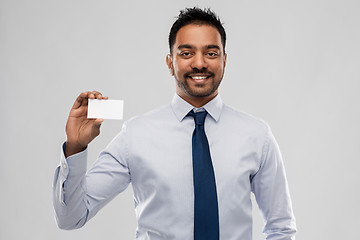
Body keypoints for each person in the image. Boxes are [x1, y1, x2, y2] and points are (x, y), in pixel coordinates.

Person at [53, 7, 297, 240]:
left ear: (224, 60)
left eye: (211, 53)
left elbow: (281, 227)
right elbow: (71, 218)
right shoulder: (135, 136)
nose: (199, 63)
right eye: (186, 53)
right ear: (170, 63)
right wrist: (75, 147)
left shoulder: (256, 135)